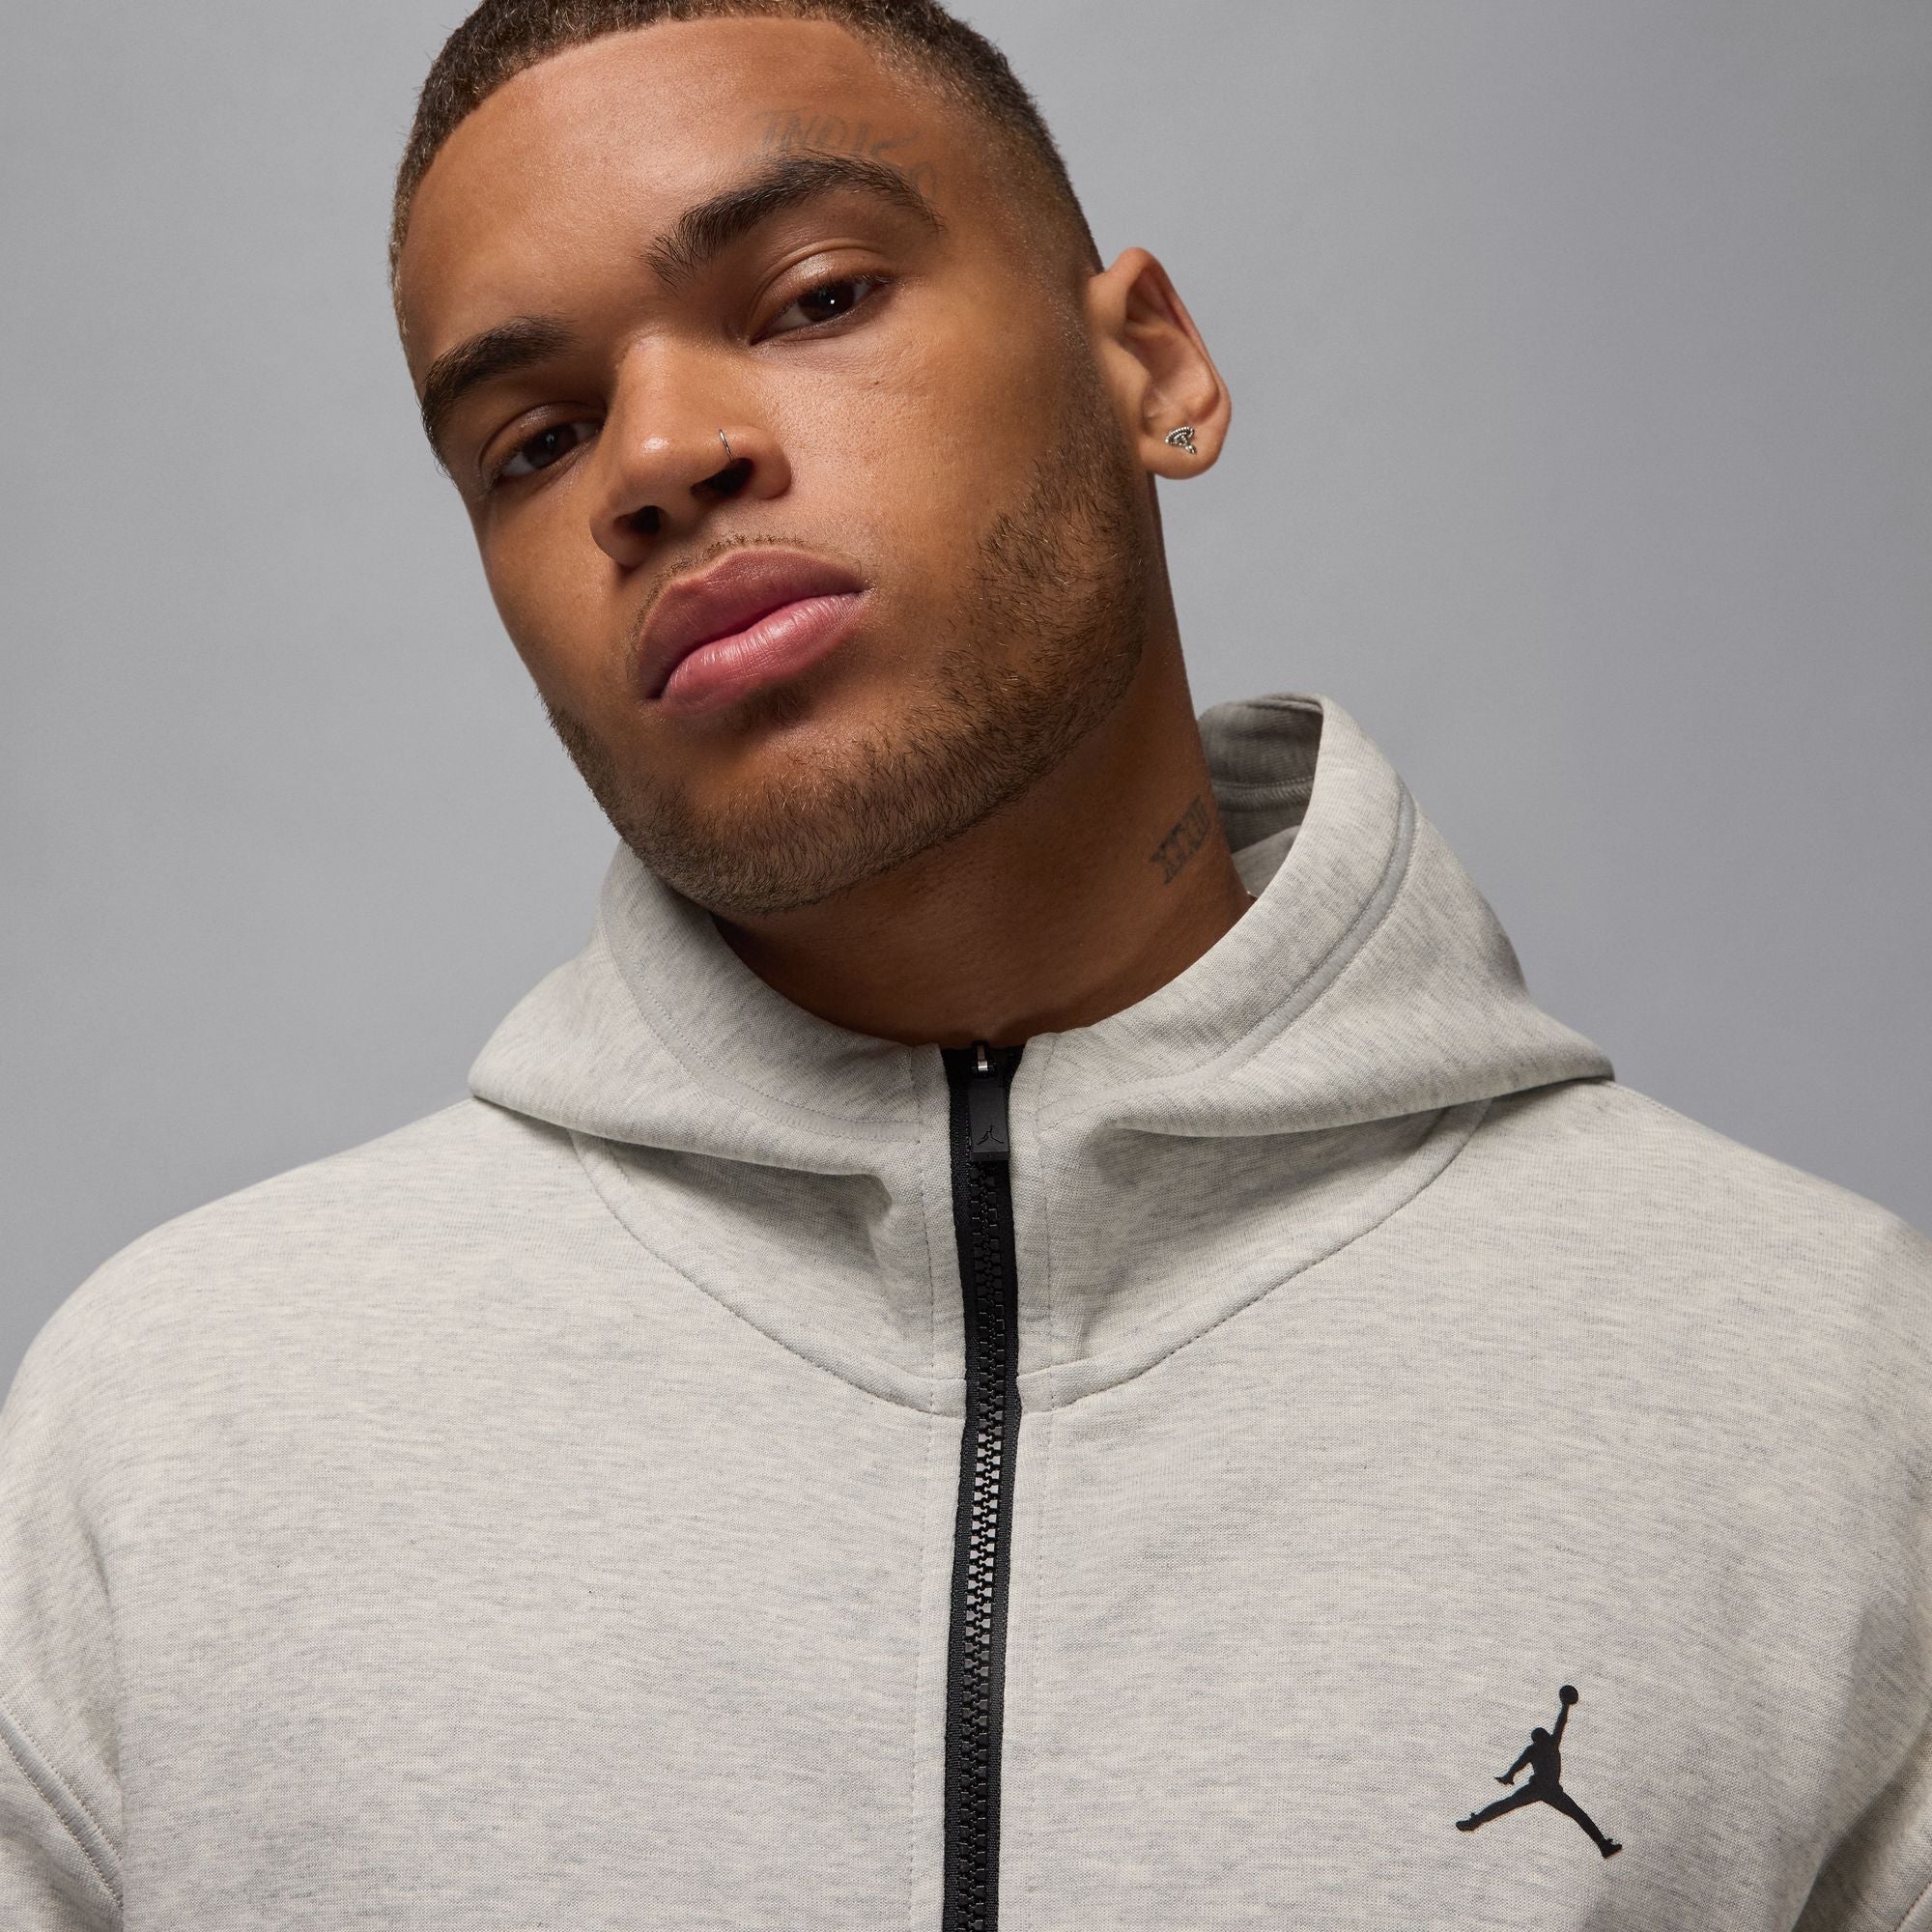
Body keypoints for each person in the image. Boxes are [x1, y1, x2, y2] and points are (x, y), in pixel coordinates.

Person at [1, 4, 1926, 1927]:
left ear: (1151, 365)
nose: (655, 461)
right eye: (535, 441)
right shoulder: (172, 1440)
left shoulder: (1826, 1387)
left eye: (816, 298)